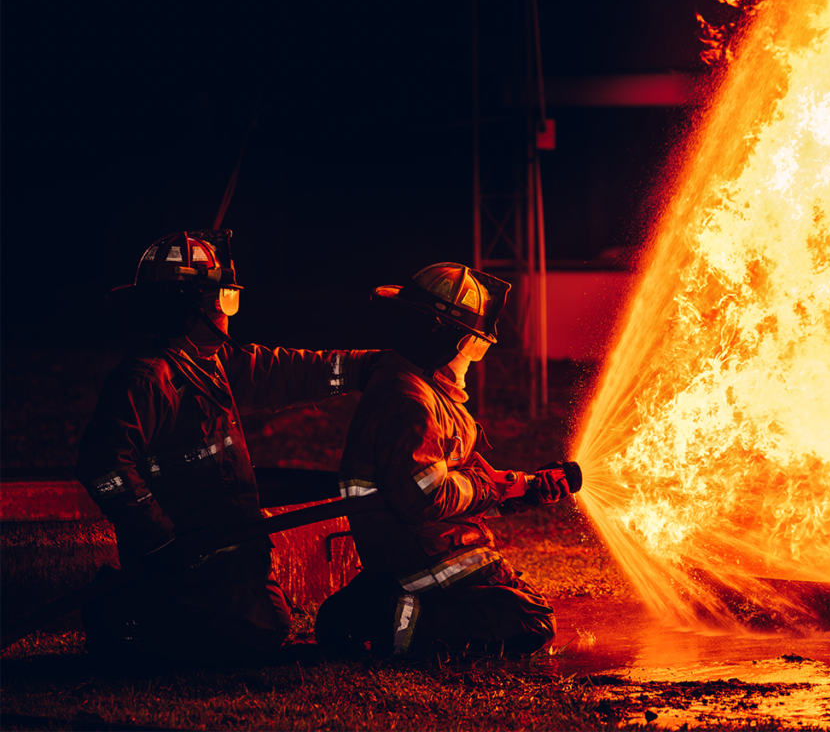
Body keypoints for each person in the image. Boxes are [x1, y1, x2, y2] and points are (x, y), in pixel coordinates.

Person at [76, 229, 378, 664]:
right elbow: (103, 464)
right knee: (258, 634)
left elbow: (290, 372)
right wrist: (160, 544)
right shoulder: (149, 379)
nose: (228, 313)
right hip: (186, 561)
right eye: (223, 300)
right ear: (190, 307)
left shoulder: (209, 364)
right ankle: (127, 617)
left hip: (227, 552)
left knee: (269, 622)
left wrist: (367, 368)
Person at [314, 262, 575, 658]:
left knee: (518, 604)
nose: (474, 357)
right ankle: (392, 618)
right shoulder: (410, 401)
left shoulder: (420, 389)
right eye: (473, 345)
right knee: (531, 622)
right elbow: (427, 496)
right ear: (445, 338)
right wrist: (494, 487)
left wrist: (525, 489)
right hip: (423, 557)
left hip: (420, 549)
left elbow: (454, 477)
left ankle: (373, 603)